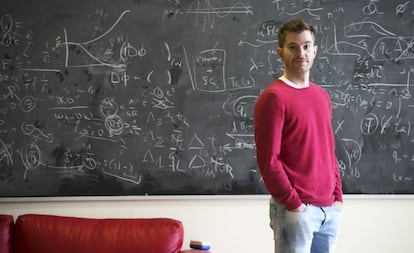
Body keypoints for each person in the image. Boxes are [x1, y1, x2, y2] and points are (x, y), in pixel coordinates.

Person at [254, 18, 343, 253]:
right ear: (280, 52)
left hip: (329, 211)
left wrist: (337, 197)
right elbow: (269, 161)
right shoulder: (274, 98)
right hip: (296, 211)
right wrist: (294, 204)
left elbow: (327, 150)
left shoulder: (321, 96)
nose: (300, 53)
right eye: (292, 47)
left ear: (314, 51)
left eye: (306, 46)